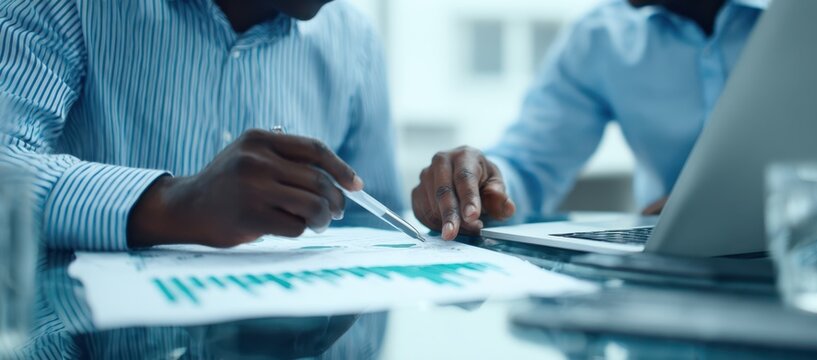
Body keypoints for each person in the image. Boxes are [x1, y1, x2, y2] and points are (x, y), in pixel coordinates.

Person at [0, 0, 401, 250]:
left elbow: (379, 225)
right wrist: (174, 203)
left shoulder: (356, 42)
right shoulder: (70, 8)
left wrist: (438, 219)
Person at [411, 0, 767, 240]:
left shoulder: (801, 18)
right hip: (672, 270)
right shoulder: (601, 35)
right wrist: (482, 185)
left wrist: (750, 199)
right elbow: (530, 167)